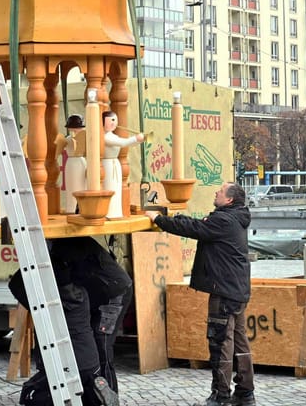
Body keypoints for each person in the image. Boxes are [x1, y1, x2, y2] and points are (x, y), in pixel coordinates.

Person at [154, 184, 254, 406]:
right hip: (236, 290)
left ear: (229, 200)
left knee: (220, 342)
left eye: (219, 192)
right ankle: (245, 393)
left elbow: (194, 228)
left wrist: (158, 219)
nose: (215, 193)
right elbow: (196, 225)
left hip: (225, 291)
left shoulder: (224, 221)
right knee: (239, 342)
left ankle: (221, 395)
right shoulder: (235, 218)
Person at [9, 237, 126, 406]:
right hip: (90, 364)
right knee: (90, 375)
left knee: (33, 395)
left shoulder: (48, 303)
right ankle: (95, 386)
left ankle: (83, 392)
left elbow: (16, 285)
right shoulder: (83, 295)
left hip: (66, 365)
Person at [100, 111, 144, 219]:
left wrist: (138, 141)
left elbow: (126, 143)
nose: (114, 122)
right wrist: (135, 138)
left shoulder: (113, 136)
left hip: (115, 164)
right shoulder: (106, 137)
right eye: (112, 120)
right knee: (110, 188)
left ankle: (116, 212)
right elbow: (122, 143)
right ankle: (109, 212)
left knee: (116, 189)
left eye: (115, 120)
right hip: (108, 165)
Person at [56, 115, 88, 213]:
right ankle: (71, 208)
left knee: (83, 185)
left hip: (80, 161)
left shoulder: (84, 137)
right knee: (72, 186)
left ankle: (82, 207)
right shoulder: (68, 139)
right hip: (72, 163)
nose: (76, 130)